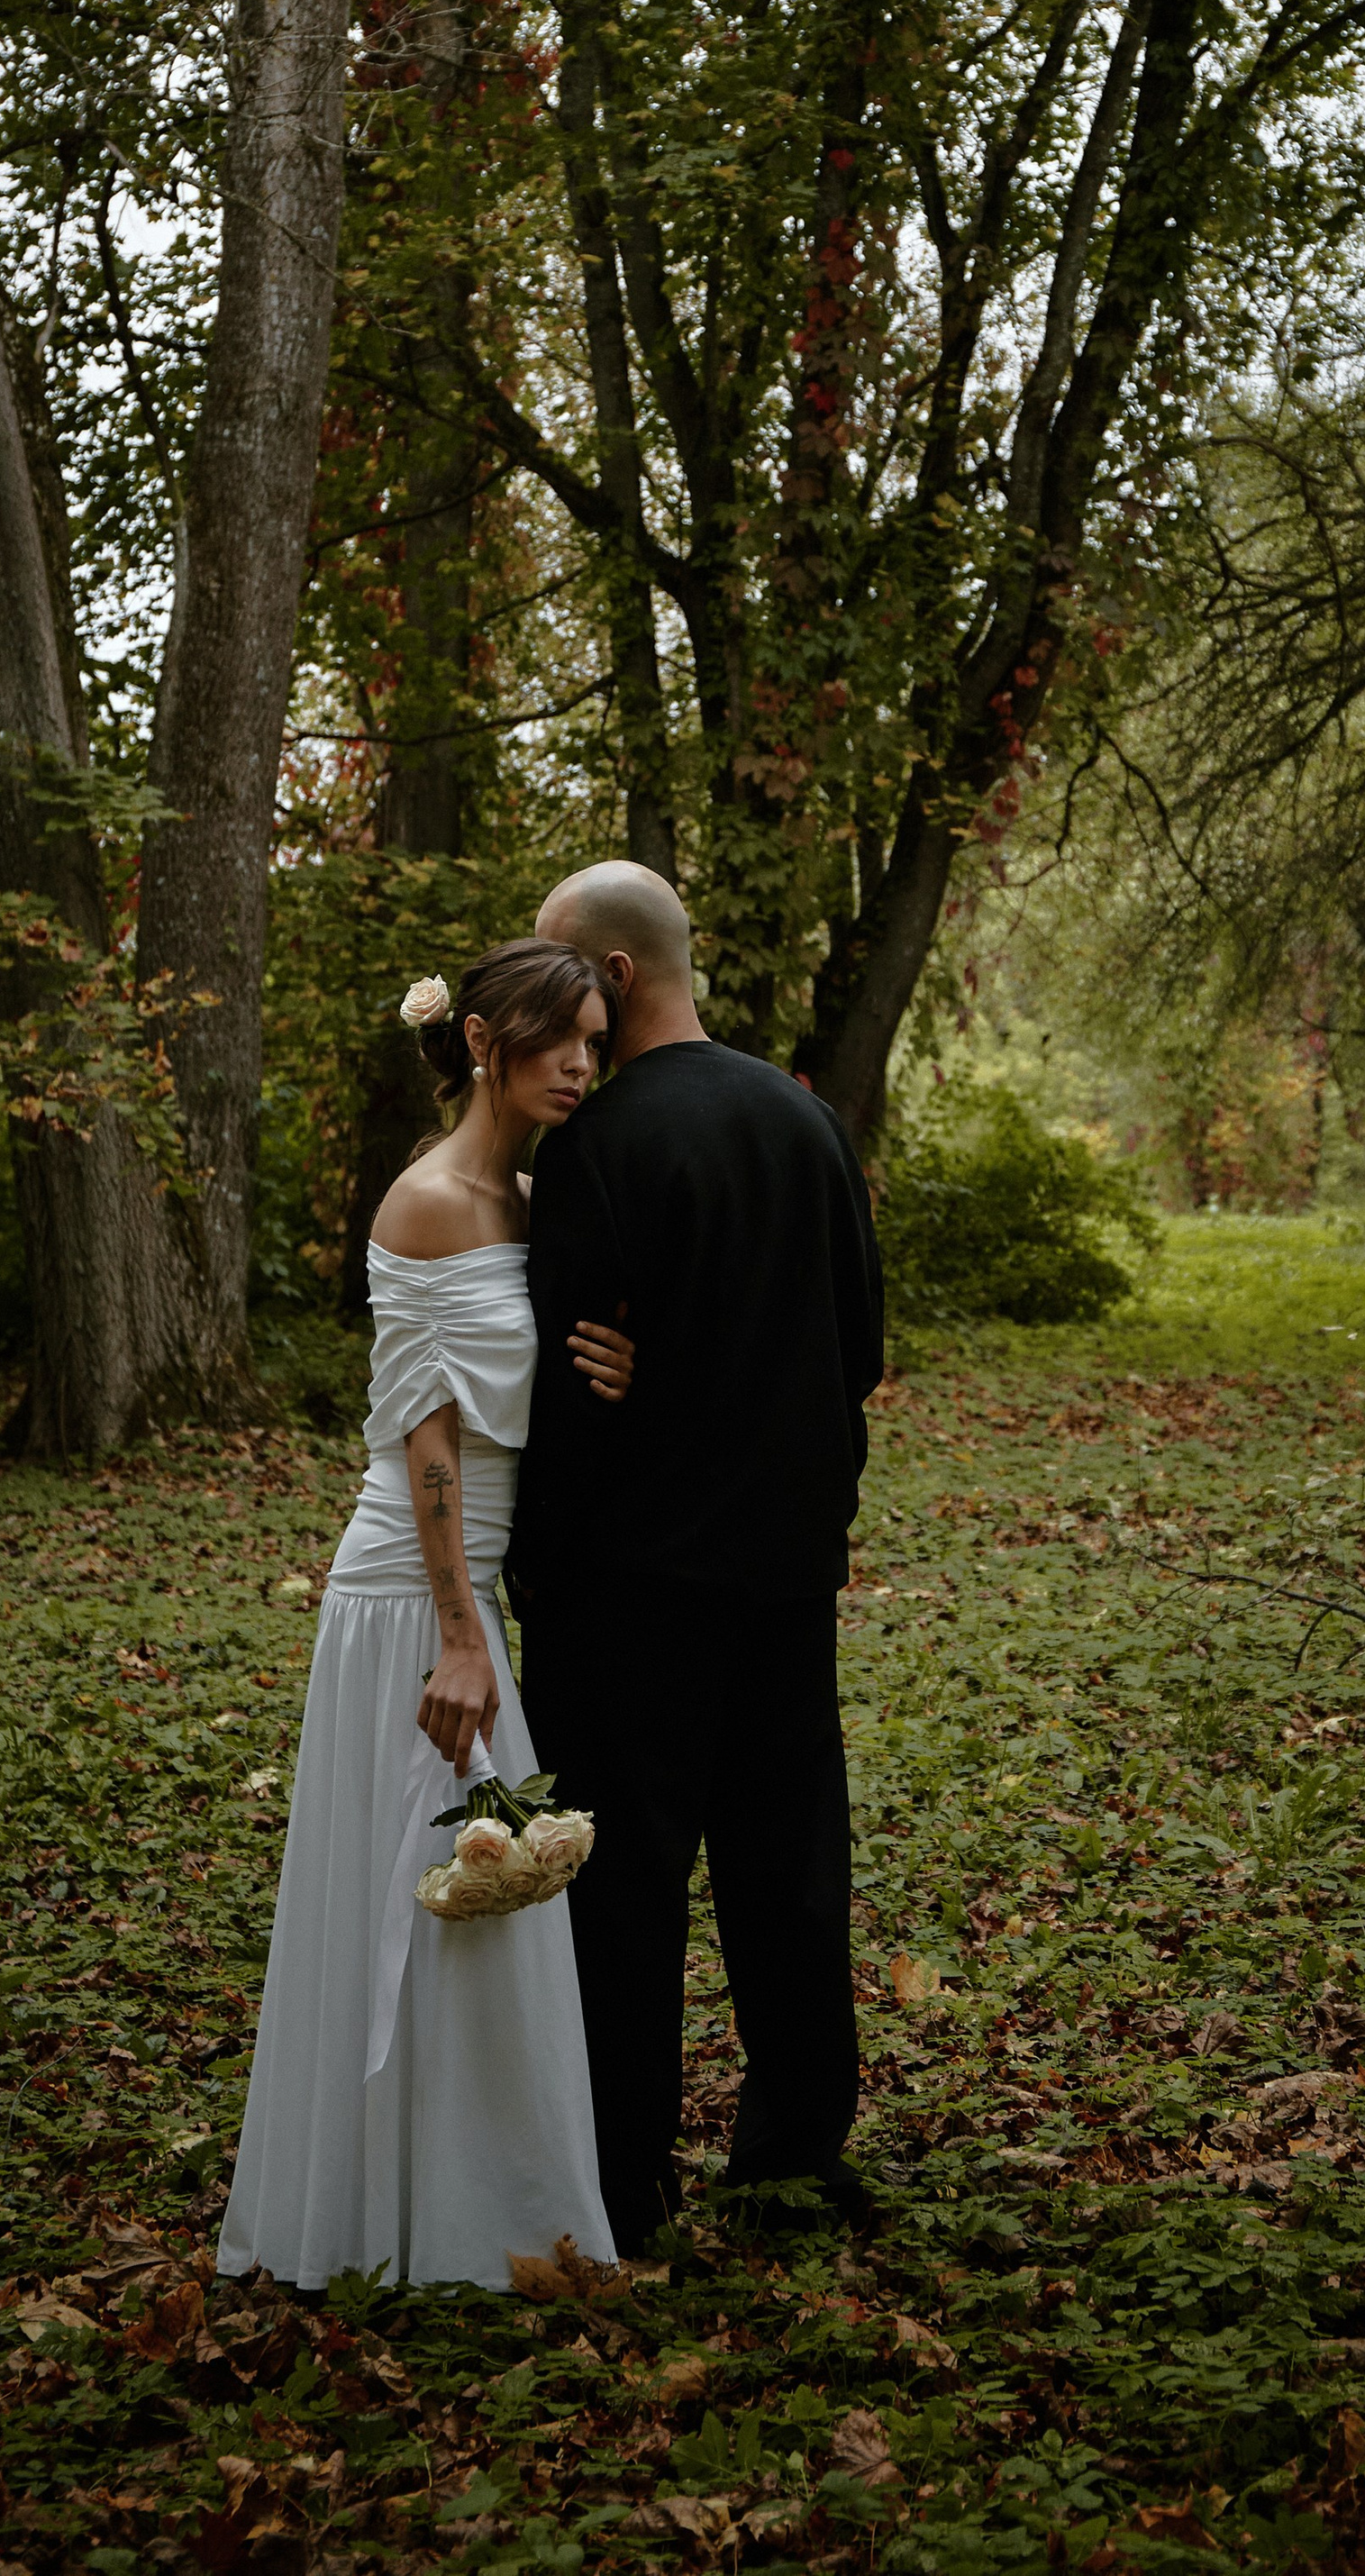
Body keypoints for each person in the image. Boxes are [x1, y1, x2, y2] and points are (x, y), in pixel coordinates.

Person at [218, 938, 636, 2292]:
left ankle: (481, 2221)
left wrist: (611, 1364)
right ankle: (424, 2233)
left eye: (594, 1040)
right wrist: (461, 1635)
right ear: (479, 1042)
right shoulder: (431, 1203)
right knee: (458, 1900)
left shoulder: (523, 1198)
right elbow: (428, 1434)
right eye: (557, 1040)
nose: (581, 1064)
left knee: (481, 1909)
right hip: (413, 1596)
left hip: (474, 1596)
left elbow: (528, 1386)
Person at [507, 861, 886, 2255]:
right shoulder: (809, 1123)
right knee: (789, 1873)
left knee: (624, 1887)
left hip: (632, 1591)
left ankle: (624, 2181)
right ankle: (793, 2164)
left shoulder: (600, 1150)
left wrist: (536, 1569)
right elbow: (861, 1356)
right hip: (788, 1577)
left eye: (561, 976)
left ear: (609, 977)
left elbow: (564, 1395)